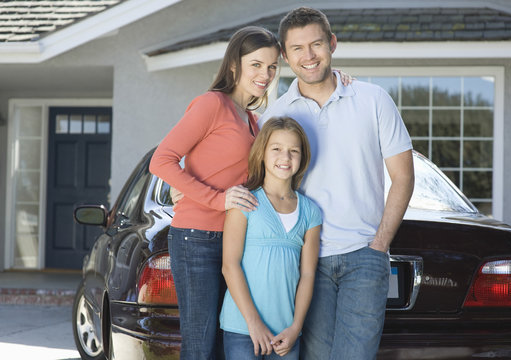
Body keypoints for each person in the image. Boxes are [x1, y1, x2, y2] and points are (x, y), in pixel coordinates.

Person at [258, 7, 415, 360]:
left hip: (364, 256)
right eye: (297, 48)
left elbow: (404, 176)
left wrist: (380, 245)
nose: (308, 56)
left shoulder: (373, 100)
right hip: (303, 260)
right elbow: (263, 188)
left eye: (316, 44)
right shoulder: (276, 115)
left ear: (332, 43)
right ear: (285, 55)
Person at [149, 26, 281, 360]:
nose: (265, 74)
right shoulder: (212, 104)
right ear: (234, 65)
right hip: (197, 239)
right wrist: (215, 198)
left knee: (227, 343)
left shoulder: (254, 120)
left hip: (235, 241)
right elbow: (161, 160)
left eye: (271, 66)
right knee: (201, 344)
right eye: (256, 64)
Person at [220, 117, 321, 359]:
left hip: (285, 334)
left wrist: (296, 328)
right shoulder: (244, 202)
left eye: (293, 151)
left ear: (302, 157)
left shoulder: (310, 212)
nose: (285, 158)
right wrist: (254, 323)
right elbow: (229, 266)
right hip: (243, 328)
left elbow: (307, 275)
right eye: (276, 149)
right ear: (262, 153)